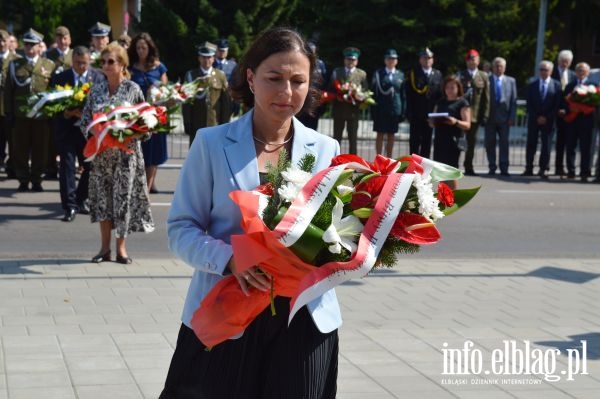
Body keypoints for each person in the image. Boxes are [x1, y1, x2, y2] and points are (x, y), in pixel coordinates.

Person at [160, 27, 341, 399]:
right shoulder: (211, 143)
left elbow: (337, 230)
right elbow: (181, 228)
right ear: (250, 78)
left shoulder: (326, 148)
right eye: (274, 78)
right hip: (227, 314)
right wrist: (231, 260)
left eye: (298, 80)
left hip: (304, 321)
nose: (286, 92)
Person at [79, 43, 154, 264]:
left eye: (110, 61)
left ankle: (121, 249)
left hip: (126, 157)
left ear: (122, 64)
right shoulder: (96, 90)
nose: (105, 65)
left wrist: (129, 133)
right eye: (103, 62)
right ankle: (104, 249)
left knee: (122, 200)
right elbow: (85, 121)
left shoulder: (133, 89)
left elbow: (147, 124)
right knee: (103, 201)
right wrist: (95, 130)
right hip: (102, 157)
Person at [50, 46, 105, 222]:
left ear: (90, 61)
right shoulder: (60, 78)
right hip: (66, 130)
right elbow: (52, 104)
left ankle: (81, 199)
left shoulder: (97, 78)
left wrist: (87, 114)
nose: (81, 66)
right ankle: (69, 207)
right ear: (72, 61)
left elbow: (104, 103)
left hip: (87, 132)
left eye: (84, 63)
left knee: (91, 166)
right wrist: (66, 112)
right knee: (67, 168)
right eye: (77, 63)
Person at [3, 28, 56, 192]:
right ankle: (23, 178)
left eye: (33, 45)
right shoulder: (15, 65)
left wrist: (52, 114)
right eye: (27, 44)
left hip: (42, 117)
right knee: (20, 148)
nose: (30, 48)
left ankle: (37, 179)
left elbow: (53, 92)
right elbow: (8, 91)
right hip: (21, 115)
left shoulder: (49, 65)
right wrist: (9, 113)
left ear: (40, 46)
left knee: (41, 149)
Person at [128, 32, 168, 194]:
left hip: (155, 116)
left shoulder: (159, 67)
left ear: (149, 48)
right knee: (140, 152)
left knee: (154, 153)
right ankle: (143, 184)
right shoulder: (131, 68)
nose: (141, 51)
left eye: (144, 47)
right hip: (136, 117)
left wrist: (158, 90)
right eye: (138, 48)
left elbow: (166, 90)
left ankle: (146, 188)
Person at [182, 41, 229, 146]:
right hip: (196, 125)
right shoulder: (191, 75)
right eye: (203, 57)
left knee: (214, 156)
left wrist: (225, 123)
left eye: (209, 57)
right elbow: (186, 102)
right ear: (199, 58)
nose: (206, 60)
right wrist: (187, 122)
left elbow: (225, 103)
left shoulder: (220, 75)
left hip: (215, 124)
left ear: (213, 58)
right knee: (197, 157)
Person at [429, 75, 471, 189]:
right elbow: (432, 119)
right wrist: (432, 122)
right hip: (440, 141)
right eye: (447, 87)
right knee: (441, 172)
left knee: (452, 171)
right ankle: (443, 199)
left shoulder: (463, 103)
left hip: (453, 142)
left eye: (452, 87)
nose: (450, 90)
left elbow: (468, 125)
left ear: (458, 88)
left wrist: (456, 122)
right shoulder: (440, 102)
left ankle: (454, 199)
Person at [522, 60, 561, 179]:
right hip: (534, 120)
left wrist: (547, 117)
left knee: (546, 146)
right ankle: (529, 168)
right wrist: (537, 117)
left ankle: (543, 169)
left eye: (546, 70)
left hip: (548, 121)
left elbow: (557, 104)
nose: (543, 72)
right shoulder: (532, 85)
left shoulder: (556, 85)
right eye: (541, 69)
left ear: (551, 71)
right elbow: (529, 104)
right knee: (531, 144)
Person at [328, 46, 368, 154]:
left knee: (353, 138)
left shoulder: (362, 74)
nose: (350, 61)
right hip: (338, 109)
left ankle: (353, 163)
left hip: (353, 111)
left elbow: (365, 92)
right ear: (344, 60)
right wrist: (337, 95)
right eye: (348, 59)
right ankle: (335, 160)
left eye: (353, 60)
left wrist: (358, 97)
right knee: (336, 138)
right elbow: (330, 88)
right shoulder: (337, 72)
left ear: (357, 61)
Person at [405, 47, 443, 158]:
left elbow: (440, 96)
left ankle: (424, 168)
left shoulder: (438, 74)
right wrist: (409, 113)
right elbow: (409, 95)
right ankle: (413, 167)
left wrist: (437, 114)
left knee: (427, 142)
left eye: (429, 58)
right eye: (424, 58)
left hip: (430, 115)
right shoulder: (413, 74)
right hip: (416, 114)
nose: (427, 60)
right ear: (420, 60)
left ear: (433, 60)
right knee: (414, 142)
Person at [559, 62, 594, 182]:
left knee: (585, 148)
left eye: (583, 70)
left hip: (586, 122)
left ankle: (584, 172)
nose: (581, 72)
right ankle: (571, 171)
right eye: (578, 70)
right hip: (571, 121)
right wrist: (568, 109)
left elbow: (595, 103)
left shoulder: (593, 86)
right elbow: (563, 101)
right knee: (570, 147)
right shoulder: (570, 85)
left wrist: (584, 108)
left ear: (588, 72)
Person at [458, 49, 489, 175]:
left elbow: (487, 98)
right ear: (466, 61)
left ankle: (468, 166)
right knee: (458, 141)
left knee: (471, 143)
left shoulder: (483, 76)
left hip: (475, 115)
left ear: (478, 61)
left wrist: (485, 115)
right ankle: (454, 165)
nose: (472, 61)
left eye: (474, 58)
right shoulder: (461, 75)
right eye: (470, 59)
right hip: (461, 114)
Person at [485, 57, 517, 177]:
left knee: (504, 143)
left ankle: (504, 168)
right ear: (493, 67)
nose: (498, 68)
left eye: (501, 66)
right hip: (490, 118)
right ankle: (492, 167)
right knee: (490, 143)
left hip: (505, 119)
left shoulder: (511, 81)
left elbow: (513, 101)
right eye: (496, 66)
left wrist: (512, 117)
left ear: (504, 68)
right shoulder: (487, 80)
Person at [371, 48, 405, 158]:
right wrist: (373, 110)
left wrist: (403, 111)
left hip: (394, 109)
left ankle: (389, 159)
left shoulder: (400, 75)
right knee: (380, 133)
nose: (391, 61)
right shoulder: (378, 73)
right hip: (381, 108)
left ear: (396, 61)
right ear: (385, 60)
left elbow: (403, 94)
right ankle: (379, 158)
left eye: (393, 59)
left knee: (391, 134)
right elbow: (374, 93)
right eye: (389, 58)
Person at [551, 49, 576, 176]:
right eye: (562, 60)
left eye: (567, 61)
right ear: (558, 60)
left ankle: (561, 167)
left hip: (567, 114)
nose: (565, 63)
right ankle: (548, 166)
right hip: (552, 111)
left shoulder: (572, 75)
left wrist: (566, 110)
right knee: (550, 141)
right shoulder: (552, 72)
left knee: (564, 141)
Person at [296, 40, 327, 130]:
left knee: (313, 123)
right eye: (309, 50)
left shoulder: (320, 64)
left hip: (315, 97)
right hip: (303, 95)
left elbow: (324, 80)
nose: (311, 52)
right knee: (300, 121)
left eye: (313, 50)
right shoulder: (299, 62)